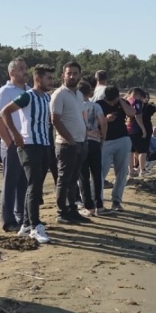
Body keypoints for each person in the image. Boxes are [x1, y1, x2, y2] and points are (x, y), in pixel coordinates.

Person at [1, 64, 55, 243]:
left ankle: (26, 223)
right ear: (38, 79)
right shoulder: (27, 96)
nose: (51, 81)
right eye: (48, 78)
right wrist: (16, 135)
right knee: (34, 185)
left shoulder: (46, 97)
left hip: (44, 144)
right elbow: (5, 112)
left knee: (36, 185)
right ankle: (35, 227)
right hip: (30, 145)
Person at [0, 58, 30, 232]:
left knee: (24, 182)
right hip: (12, 145)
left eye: (26, 68)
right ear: (12, 72)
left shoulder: (29, 91)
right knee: (10, 184)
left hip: (28, 143)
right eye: (21, 68)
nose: (25, 71)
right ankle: (8, 220)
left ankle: (22, 216)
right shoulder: (4, 92)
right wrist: (9, 143)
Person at [50, 61, 89, 224]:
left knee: (74, 180)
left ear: (79, 75)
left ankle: (72, 210)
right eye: (69, 73)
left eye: (75, 73)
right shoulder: (59, 94)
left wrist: (83, 138)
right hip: (66, 144)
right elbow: (55, 120)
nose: (72, 76)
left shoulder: (79, 95)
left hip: (80, 142)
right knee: (64, 180)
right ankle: (62, 212)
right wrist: (70, 140)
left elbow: (80, 117)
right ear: (63, 75)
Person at [97, 85, 136, 212]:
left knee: (122, 172)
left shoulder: (121, 102)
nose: (112, 103)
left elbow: (132, 113)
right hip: (105, 141)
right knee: (101, 172)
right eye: (110, 101)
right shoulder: (99, 104)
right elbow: (92, 122)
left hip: (122, 138)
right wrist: (106, 120)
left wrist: (120, 101)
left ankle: (116, 201)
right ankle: (98, 202)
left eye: (114, 100)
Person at [78, 80, 106, 216]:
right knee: (96, 174)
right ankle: (99, 205)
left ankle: (88, 206)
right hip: (95, 141)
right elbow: (103, 122)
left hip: (82, 141)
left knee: (83, 176)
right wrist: (103, 137)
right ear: (90, 92)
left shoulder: (77, 106)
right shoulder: (95, 106)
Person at [126, 87, 148, 178]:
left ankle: (131, 171)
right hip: (135, 128)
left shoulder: (126, 101)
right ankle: (142, 170)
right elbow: (137, 116)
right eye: (142, 97)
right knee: (143, 150)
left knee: (130, 151)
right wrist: (143, 129)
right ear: (138, 95)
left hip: (127, 129)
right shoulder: (136, 102)